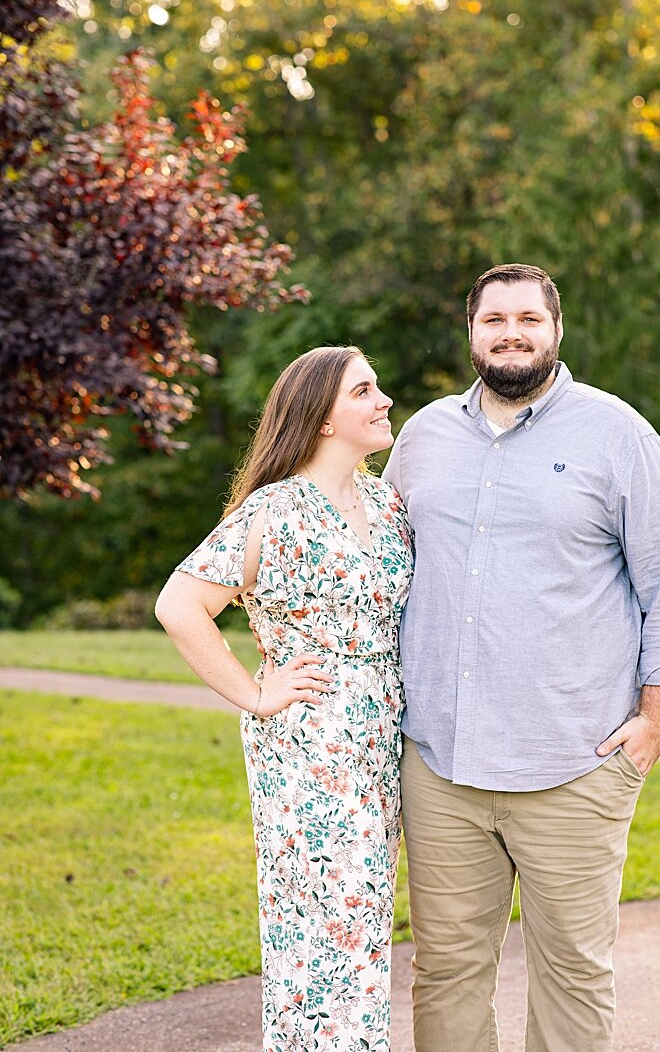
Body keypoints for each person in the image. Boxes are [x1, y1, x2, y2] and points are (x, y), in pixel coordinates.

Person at [385, 262, 660, 1052]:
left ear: (556, 330)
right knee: (446, 971)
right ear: (471, 332)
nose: (512, 333)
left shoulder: (617, 433)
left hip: (575, 760)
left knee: (573, 974)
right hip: (440, 763)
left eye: (528, 318)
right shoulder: (421, 438)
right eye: (495, 319)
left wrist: (654, 725)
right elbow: (375, 567)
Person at [155, 346, 413, 1051]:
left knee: (362, 925)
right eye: (365, 390)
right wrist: (254, 696)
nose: (384, 398)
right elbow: (180, 605)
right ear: (324, 419)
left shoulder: (387, 501)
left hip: (383, 742)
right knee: (320, 924)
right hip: (308, 745)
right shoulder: (274, 511)